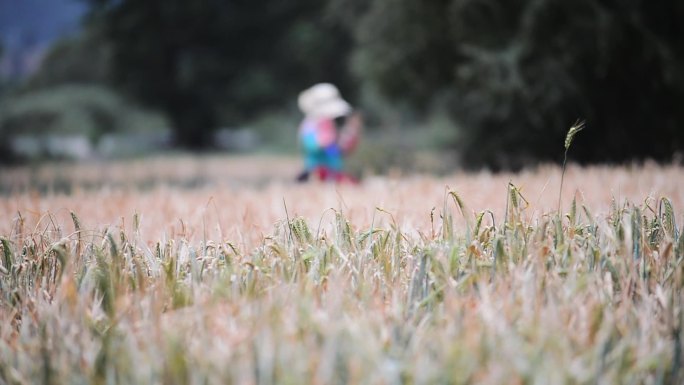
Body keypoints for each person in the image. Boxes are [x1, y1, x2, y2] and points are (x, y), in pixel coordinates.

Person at [295, 83, 362, 183]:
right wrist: (326, 140)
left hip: (333, 172)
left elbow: (335, 152)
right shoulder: (310, 125)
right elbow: (311, 147)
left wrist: (350, 138)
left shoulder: (330, 124)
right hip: (316, 171)